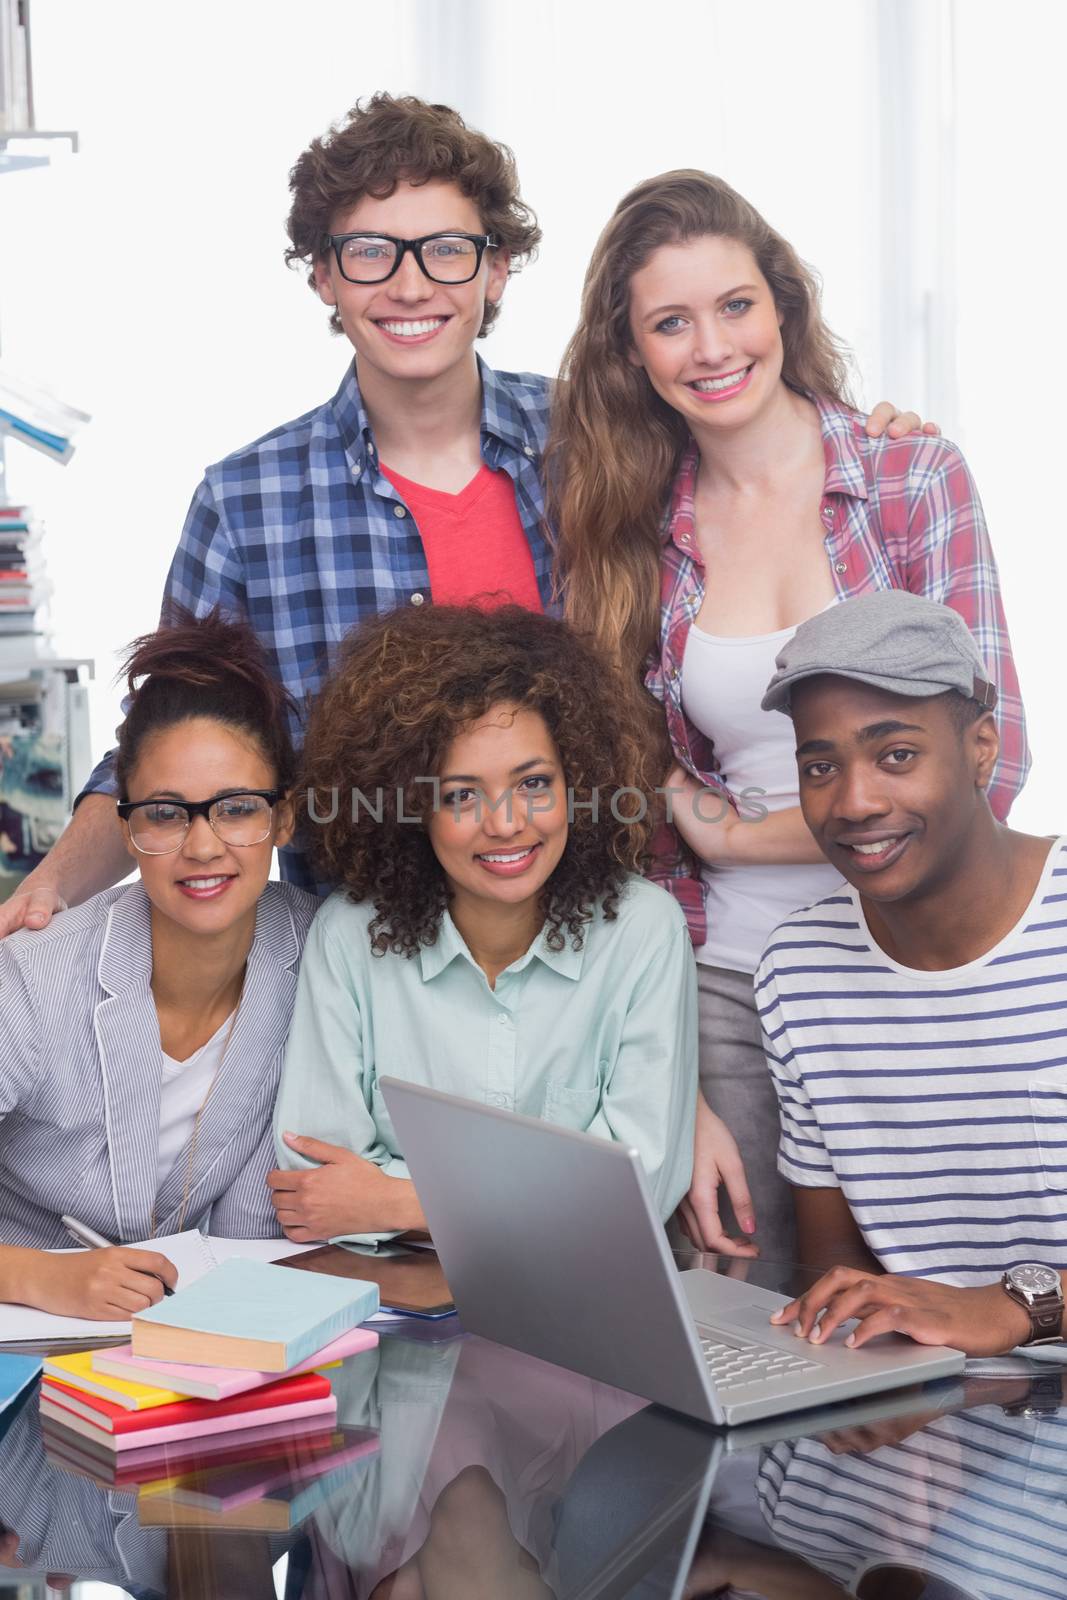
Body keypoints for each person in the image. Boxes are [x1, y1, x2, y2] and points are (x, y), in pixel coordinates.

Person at [1, 98, 927, 935]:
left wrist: (870, 436)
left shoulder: (603, 444)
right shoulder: (246, 504)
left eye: (446, 249)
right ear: (323, 276)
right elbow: (170, 747)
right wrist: (51, 888)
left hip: (606, 954)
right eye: (369, 251)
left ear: (498, 272)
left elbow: (745, 427)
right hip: (362, 971)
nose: (410, 287)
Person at [547, 169, 1027, 1263]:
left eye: (733, 307)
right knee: (746, 1319)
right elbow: (630, 810)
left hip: (913, 970)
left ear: (781, 309)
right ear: (632, 354)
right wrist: (675, 1082)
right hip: (728, 984)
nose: (710, 347)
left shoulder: (910, 479)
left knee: (946, 1304)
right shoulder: (625, 535)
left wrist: (740, 830)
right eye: (669, 323)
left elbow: (988, 765)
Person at [268, 605, 700, 1243]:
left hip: (578, 1303)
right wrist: (552, 1196)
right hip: (389, 1296)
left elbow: (640, 1190)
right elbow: (313, 1178)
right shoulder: (350, 937)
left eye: (533, 783)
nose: (504, 824)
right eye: (461, 794)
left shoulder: (643, 934)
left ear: (576, 782)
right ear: (413, 807)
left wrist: (400, 1204)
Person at [753, 591, 1063, 1357]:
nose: (854, 802)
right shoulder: (797, 968)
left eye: (896, 755)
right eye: (820, 766)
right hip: (923, 1417)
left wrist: (1011, 1308)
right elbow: (838, 1269)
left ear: (981, 746)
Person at [0, 610, 315, 1320]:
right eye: (167, 814)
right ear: (128, 825)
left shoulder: (325, 957)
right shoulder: (34, 979)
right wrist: (36, 1277)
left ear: (283, 818)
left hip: (192, 1348)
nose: (202, 847)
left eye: (236, 809)